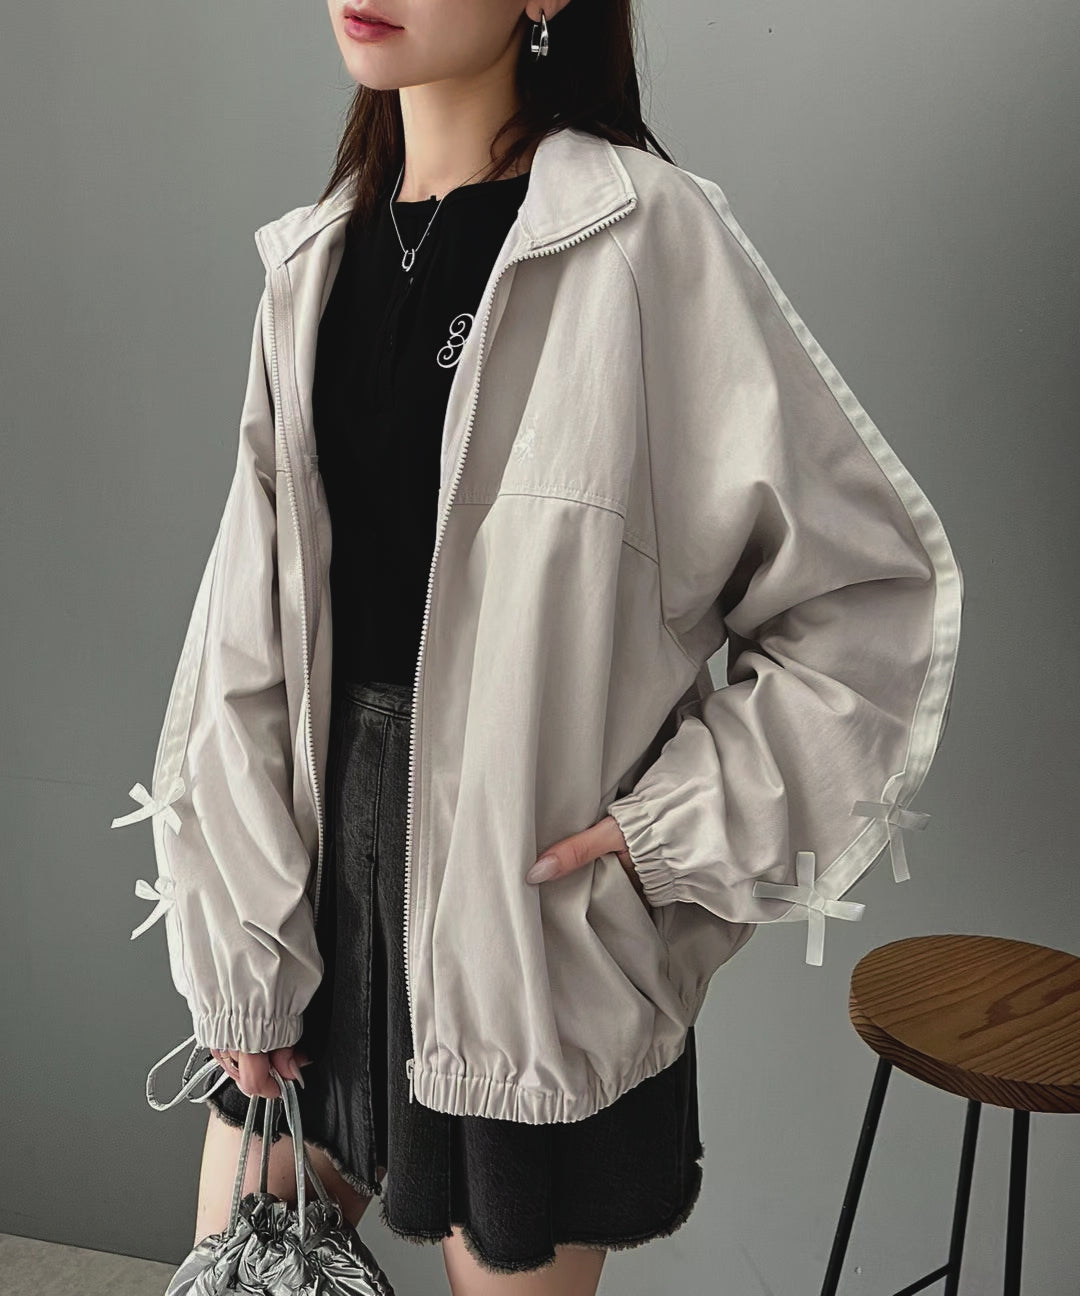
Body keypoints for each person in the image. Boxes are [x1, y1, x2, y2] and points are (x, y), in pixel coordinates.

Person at [111, 1, 964, 1291]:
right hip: (307, 897)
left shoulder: (643, 240)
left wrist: (664, 835)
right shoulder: (312, 265)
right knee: (246, 1265)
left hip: (525, 927)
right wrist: (238, 946)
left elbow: (865, 604)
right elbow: (244, 645)